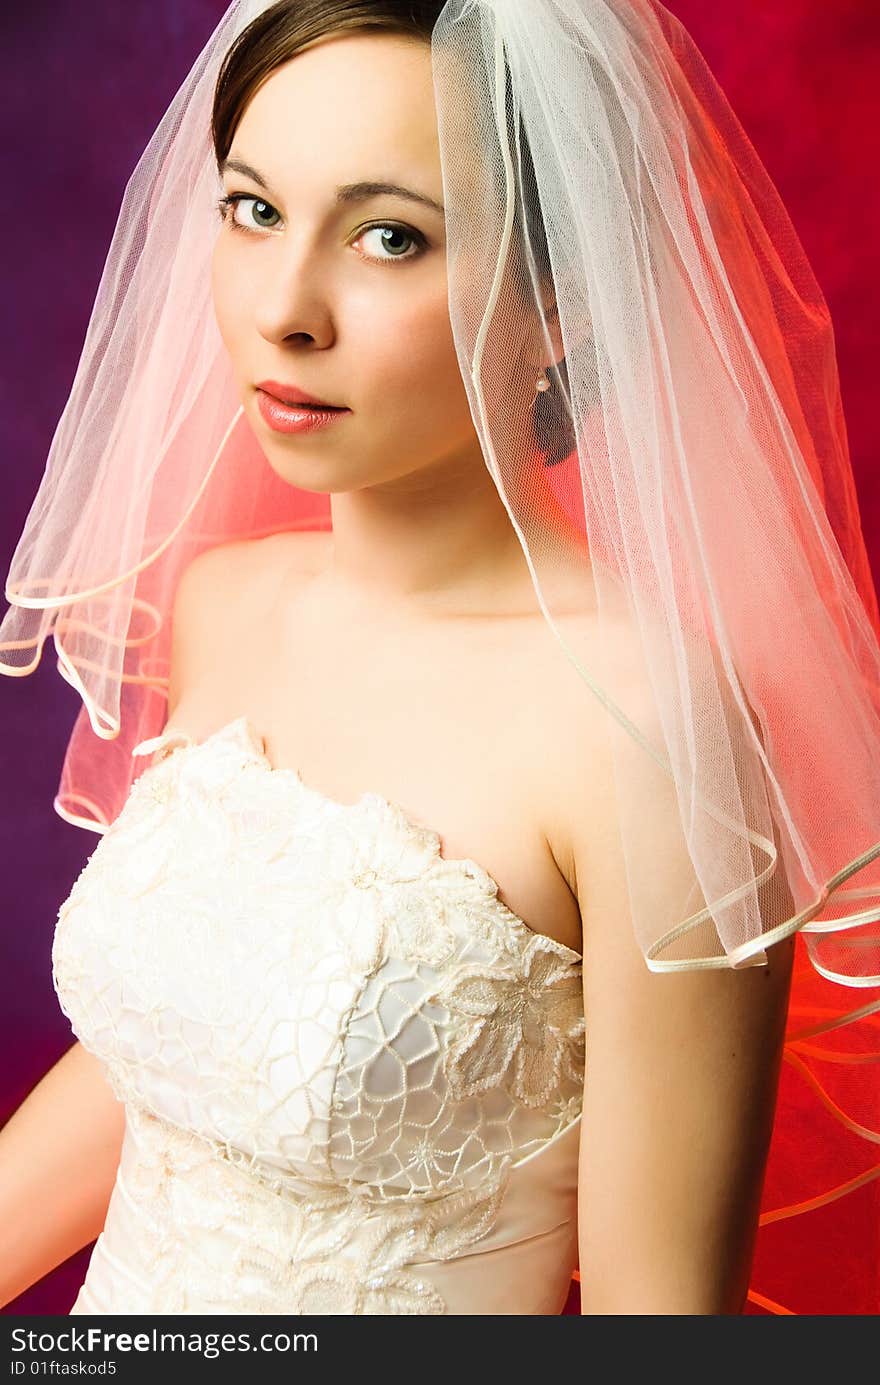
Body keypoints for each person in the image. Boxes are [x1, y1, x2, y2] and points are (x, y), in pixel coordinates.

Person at [1, 0, 878, 1316]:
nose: (284, 310)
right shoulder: (226, 605)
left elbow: (662, 1312)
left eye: (390, 236)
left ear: (566, 301)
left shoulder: (647, 730)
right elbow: (171, 1069)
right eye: (252, 209)